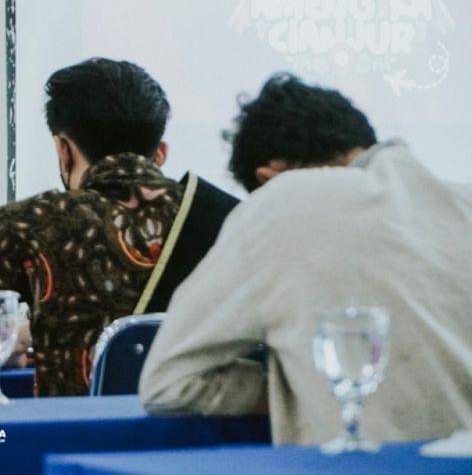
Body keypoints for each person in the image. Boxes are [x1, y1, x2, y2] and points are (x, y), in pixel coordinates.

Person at [140, 74, 472, 445]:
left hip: (359, 466)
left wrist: (297, 388)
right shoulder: (462, 202)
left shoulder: (280, 204)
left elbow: (168, 382)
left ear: (269, 178)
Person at [0, 58, 239, 395]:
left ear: (64, 150)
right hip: (202, 429)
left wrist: (5, 344)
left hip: (75, 429)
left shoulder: (31, 223)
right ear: (160, 152)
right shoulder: (231, 218)